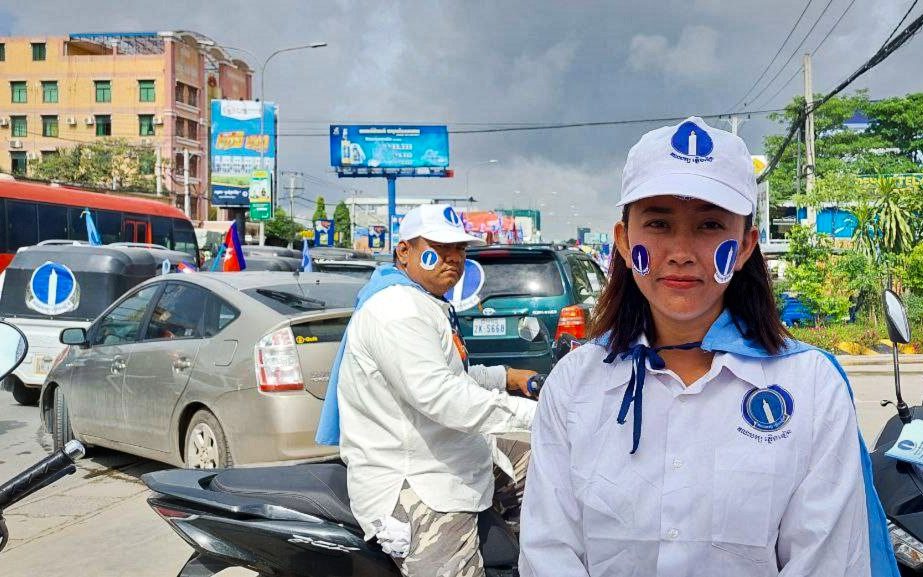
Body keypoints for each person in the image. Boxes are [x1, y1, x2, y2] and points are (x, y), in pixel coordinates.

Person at [519, 117, 898, 577]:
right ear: (623, 240)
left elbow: (829, 561)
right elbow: (548, 553)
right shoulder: (575, 384)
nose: (681, 251)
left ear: (743, 247)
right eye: (658, 223)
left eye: (710, 225)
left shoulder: (810, 387)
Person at [315, 203, 537, 577]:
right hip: (417, 479)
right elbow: (441, 396)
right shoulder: (398, 310)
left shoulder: (424, 302)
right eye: (440, 247)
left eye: (460, 250)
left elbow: (451, 375)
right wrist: (535, 415)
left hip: (448, 455)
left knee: (540, 463)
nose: (453, 258)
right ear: (404, 251)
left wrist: (506, 376)